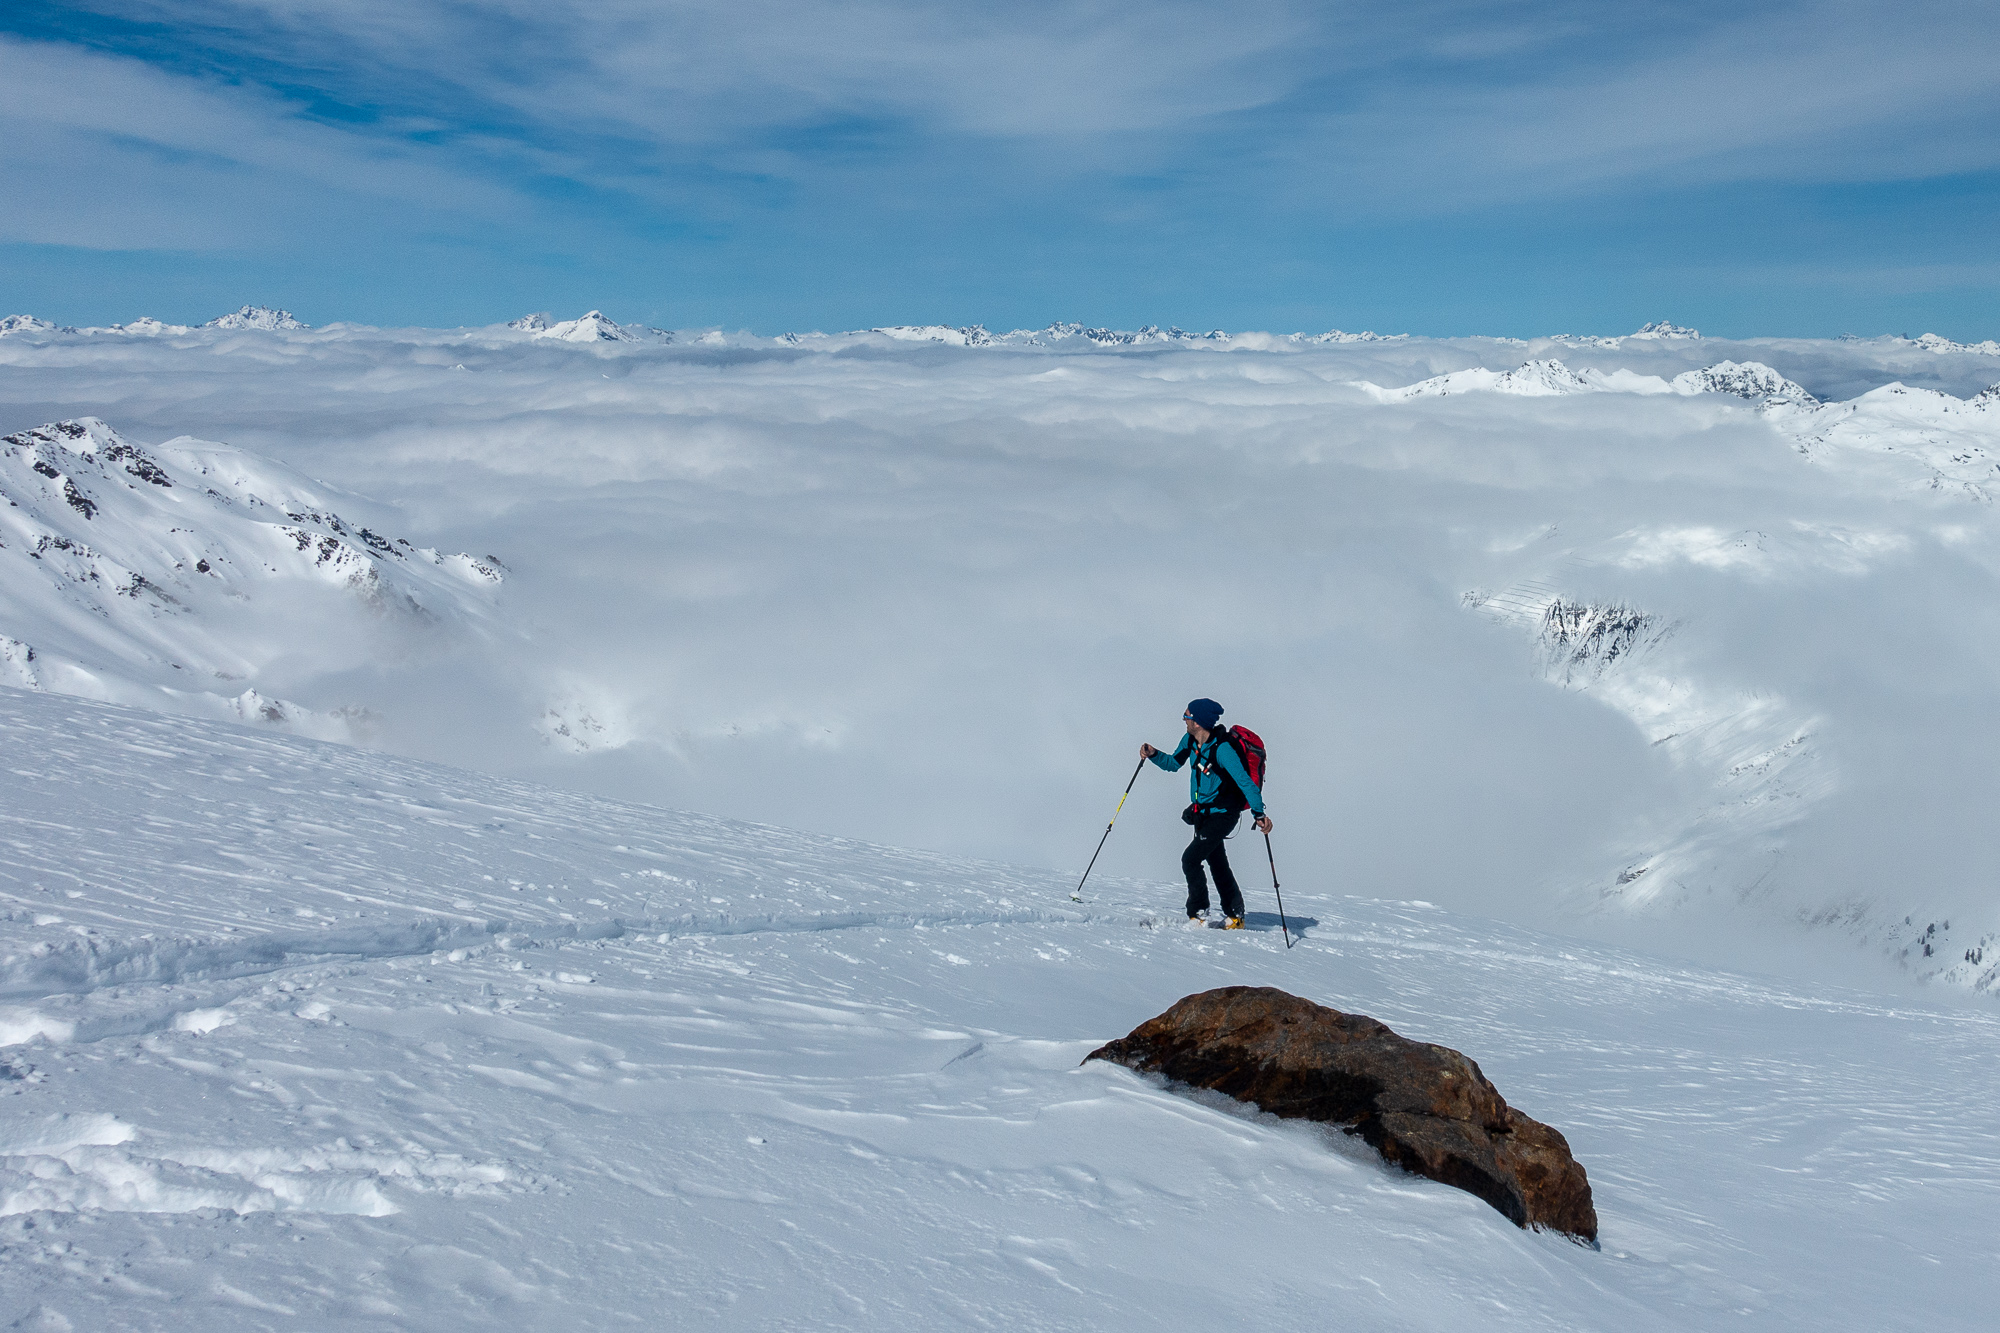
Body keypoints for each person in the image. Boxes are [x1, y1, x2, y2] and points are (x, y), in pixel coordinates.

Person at [1141, 698, 1271, 928]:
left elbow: (1245, 783)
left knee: (1190, 860)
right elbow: (1173, 763)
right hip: (1202, 813)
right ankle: (1235, 914)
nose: (1184, 718)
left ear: (1198, 722)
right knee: (1217, 862)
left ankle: (1198, 914)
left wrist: (1259, 814)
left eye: (1187, 715)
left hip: (1223, 814)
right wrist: (1153, 754)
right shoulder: (1190, 741)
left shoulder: (1223, 750)